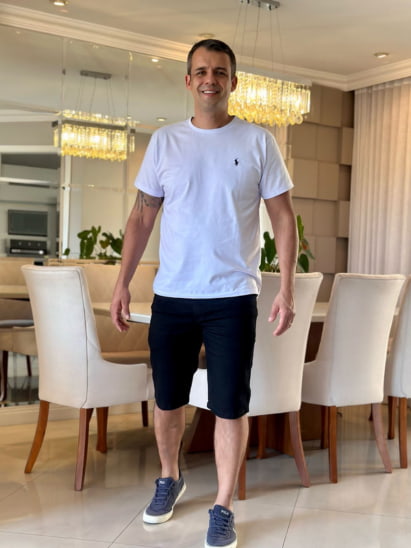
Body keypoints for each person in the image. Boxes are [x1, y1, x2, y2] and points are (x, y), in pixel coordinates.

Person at [111, 38, 297, 548]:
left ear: (233, 82)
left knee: (229, 405)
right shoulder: (165, 142)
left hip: (232, 297)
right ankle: (169, 477)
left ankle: (223, 505)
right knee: (168, 400)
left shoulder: (258, 141)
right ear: (188, 80)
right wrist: (123, 283)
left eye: (219, 71)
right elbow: (142, 217)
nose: (210, 79)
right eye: (201, 71)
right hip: (172, 295)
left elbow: (283, 217)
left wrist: (286, 287)